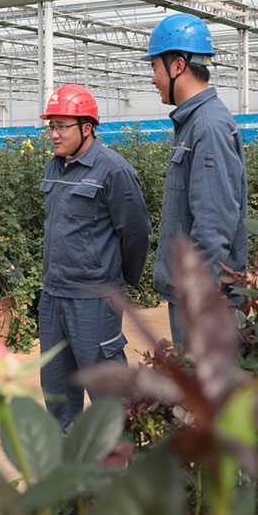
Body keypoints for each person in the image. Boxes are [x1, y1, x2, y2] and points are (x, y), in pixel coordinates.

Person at [39, 84, 151, 429]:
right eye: (51, 126)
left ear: (87, 128)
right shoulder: (53, 169)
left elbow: (136, 232)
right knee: (57, 394)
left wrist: (116, 283)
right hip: (53, 296)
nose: (54, 135)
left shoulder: (112, 170)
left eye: (62, 126)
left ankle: (116, 472)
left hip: (93, 300)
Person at [142, 13, 248, 345]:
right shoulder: (196, 122)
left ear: (177, 66)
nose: (153, 79)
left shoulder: (208, 127)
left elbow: (214, 223)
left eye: (155, 68)